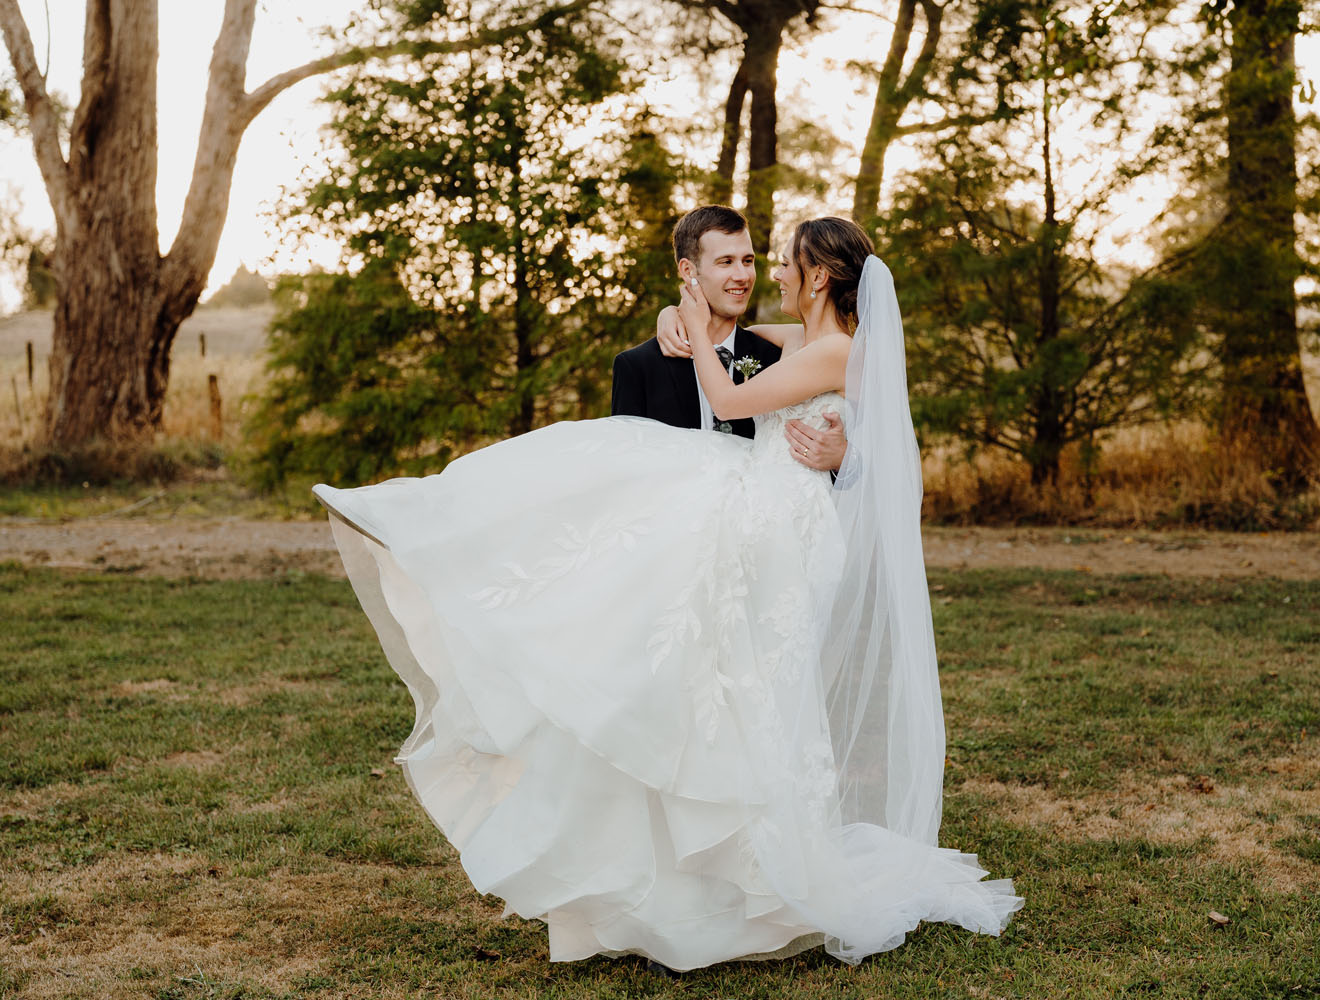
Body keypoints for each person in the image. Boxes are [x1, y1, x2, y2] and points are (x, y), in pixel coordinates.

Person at [311, 216, 1022, 972]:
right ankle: (438, 527)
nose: (769, 272)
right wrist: (676, 313)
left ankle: (752, 875)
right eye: (741, 261)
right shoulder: (799, 340)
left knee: (752, 698)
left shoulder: (837, 350)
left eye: (781, 262)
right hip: (752, 523)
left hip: (778, 531)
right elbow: (739, 345)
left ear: (819, 276)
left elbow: (743, 401)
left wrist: (836, 442)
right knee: (722, 694)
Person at [611, 204, 848, 472]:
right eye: (726, 262)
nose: (743, 276)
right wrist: (672, 313)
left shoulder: (779, 356)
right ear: (688, 271)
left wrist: (845, 457)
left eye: (747, 261)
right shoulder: (638, 367)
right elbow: (624, 469)